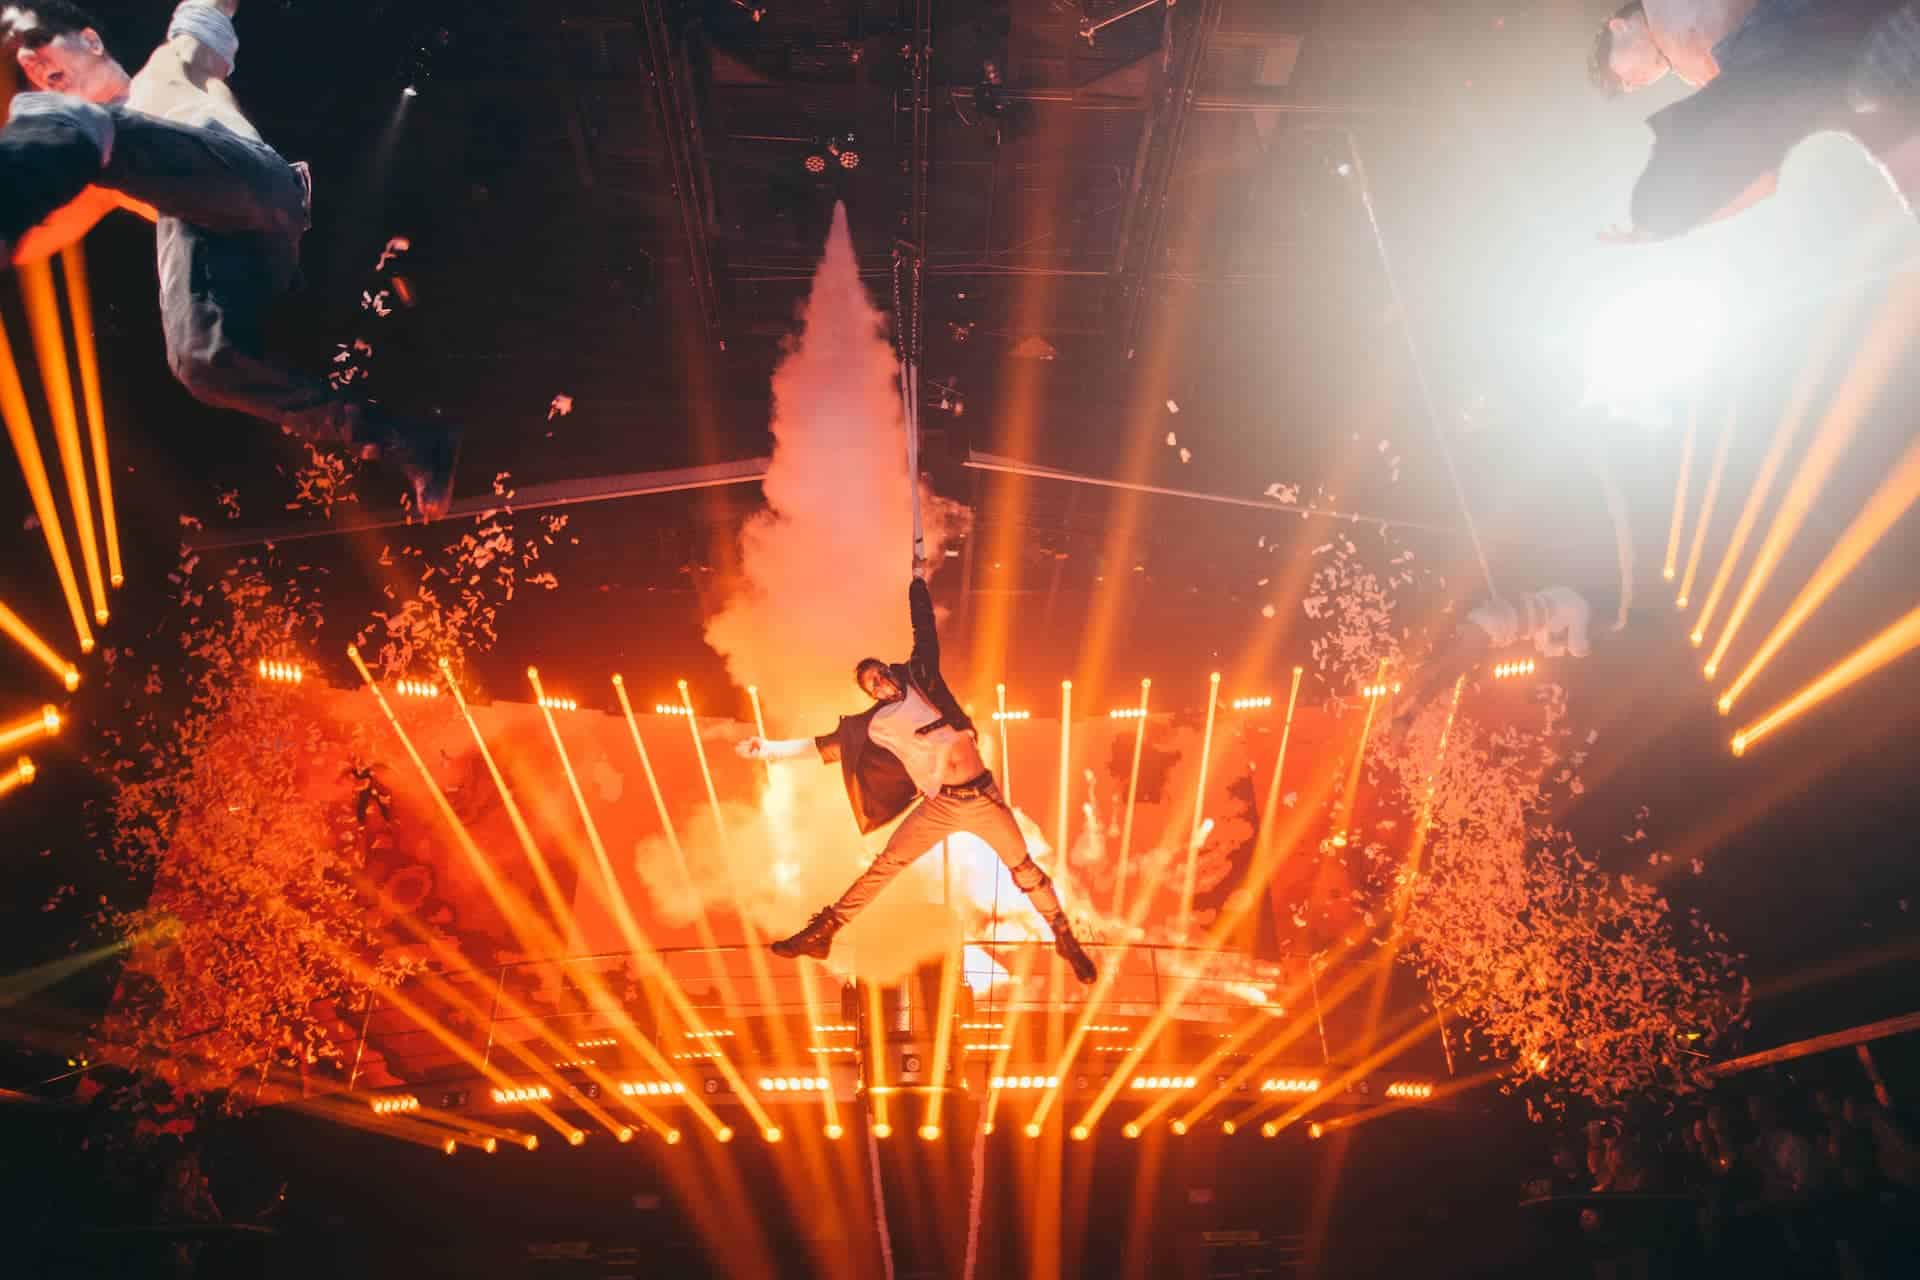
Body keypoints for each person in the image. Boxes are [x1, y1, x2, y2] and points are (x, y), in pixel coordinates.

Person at [0, 2, 457, 515]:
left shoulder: (171, 65)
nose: (35, 70)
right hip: (246, 262)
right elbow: (33, 236)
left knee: (82, 128)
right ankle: (402, 438)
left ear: (91, 41)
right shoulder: (105, 163)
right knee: (198, 362)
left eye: (39, 49)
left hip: (258, 188)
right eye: (27, 72)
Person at [736, 560, 1098, 984]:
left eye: (879, 674)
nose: (878, 684)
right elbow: (824, 747)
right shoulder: (875, 724)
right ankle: (824, 931)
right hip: (941, 804)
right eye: (869, 685)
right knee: (886, 865)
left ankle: (1065, 938)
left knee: (1026, 871)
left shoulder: (922, 675)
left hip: (981, 797)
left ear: (890, 671)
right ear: (868, 694)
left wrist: (916, 582)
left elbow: (924, 629)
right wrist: (770, 750)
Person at [1588, 0, 1920, 242]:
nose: (1633, 85)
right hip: (1833, 72)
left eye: (1623, 79)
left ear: (1618, 26)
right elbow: (1759, 173)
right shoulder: (1702, 72)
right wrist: (1664, 226)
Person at [1394, 586, 1598, 730]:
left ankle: (1399, 706)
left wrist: (1560, 647)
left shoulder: (1555, 598)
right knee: (1446, 673)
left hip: (1484, 621)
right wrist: (1588, 645)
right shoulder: (1580, 607)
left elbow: (1544, 645)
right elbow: (1578, 648)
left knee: (1440, 667)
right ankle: (1405, 717)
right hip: (1493, 626)